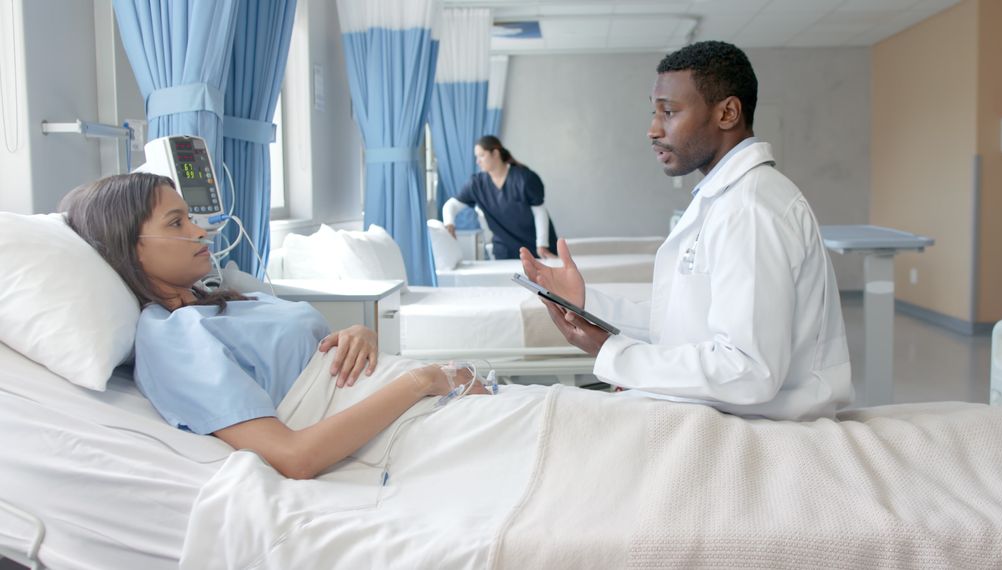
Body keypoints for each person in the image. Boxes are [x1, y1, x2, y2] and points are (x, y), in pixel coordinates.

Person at [61, 173, 486, 480]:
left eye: (190, 217)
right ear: (130, 248)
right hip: (408, 427)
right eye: (176, 223)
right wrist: (422, 380)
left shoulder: (222, 300)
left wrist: (360, 334)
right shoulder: (169, 336)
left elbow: (305, 353)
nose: (200, 230)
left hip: (428, 400)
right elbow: (294, 456)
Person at [520, 41, 852, 421]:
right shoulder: (725, 198)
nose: (653, 129)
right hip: (725, 415)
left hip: (761, 428)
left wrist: (612, 353)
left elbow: (748, 372)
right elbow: (678, 324)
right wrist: (586, 303)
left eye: (669, 112)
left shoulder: (750, 209)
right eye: (654, 112)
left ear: (727, 113)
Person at [443, 135, 558, 259]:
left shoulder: (525, 178)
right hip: (505, 250)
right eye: (477, 157)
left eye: (481, 155)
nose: (478, 161)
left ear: (495, 153)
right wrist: (449, 223)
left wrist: (542, 245)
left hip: (535, 247)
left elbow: (539, 212)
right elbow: (452, 205)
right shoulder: (476, 184)